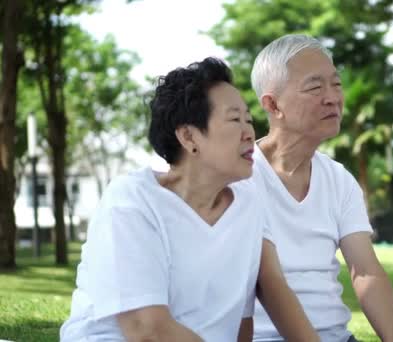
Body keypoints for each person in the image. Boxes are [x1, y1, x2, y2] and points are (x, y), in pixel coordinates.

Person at [60, 57, 318, 342]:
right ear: (188, 136)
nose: (249, 132)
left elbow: (241, 324)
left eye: (248, 119)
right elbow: (147, 331)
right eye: (234, 119)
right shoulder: (132, 201)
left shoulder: (248, 204)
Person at [249, 34, 393, 342]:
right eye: (315, 87)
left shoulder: (339, 180)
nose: (333, 98)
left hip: (337, 338)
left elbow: (365, 271)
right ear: (273, 105)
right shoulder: (239, 176)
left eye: (336, 84)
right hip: (267, 339)